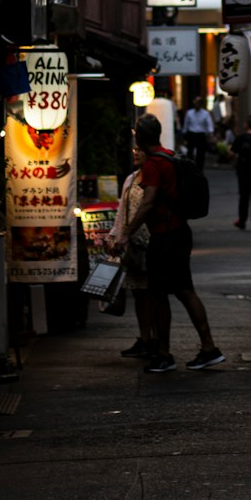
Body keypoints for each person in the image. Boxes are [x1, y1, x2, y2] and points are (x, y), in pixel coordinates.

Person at [118, 112, 224, 374]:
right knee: (185, 290)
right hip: (179, 232)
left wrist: (126, 232)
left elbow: (149, 200)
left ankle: (164, 354)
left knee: (158, 294)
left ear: (140, 137)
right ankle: (208, 348)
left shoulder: (154, 163)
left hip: (165, 236)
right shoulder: (169, 156)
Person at [105, 146, 154, 358]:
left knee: (151, 293)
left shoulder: (154, 179)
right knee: (138, 291)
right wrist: (114, 235)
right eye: (134, 149)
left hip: (149, 243)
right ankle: (145, 338)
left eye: (140, 150)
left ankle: (157, 340)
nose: (135, 153)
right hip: (131, 243)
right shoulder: (131, 178)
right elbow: (121, 211)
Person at [181, 98, 215, 172]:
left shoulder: (205, 113)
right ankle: (190, 168)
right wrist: (184, 133)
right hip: (192, 134)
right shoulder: (189, 113)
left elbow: (209, 124)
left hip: (201, 135)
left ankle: (199, 169)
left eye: (198, 103)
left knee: (201, 153)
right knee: (190, 152)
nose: (196, 105)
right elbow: (186, 124)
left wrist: (210, 133)